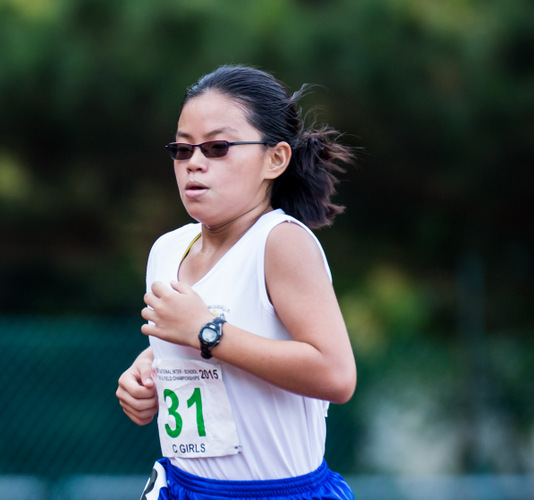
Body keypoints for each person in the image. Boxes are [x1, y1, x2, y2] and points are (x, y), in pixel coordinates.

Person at [115, 64, 357, 500]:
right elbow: (191, 337)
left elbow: (337, 375)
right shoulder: (167, 251)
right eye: (182, 150)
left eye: (218, 147)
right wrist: (148, 369)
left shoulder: (281, 242)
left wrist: (207, 332)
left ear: (275, 158)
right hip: (182, 487)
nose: (195, 164)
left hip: (277, 492)